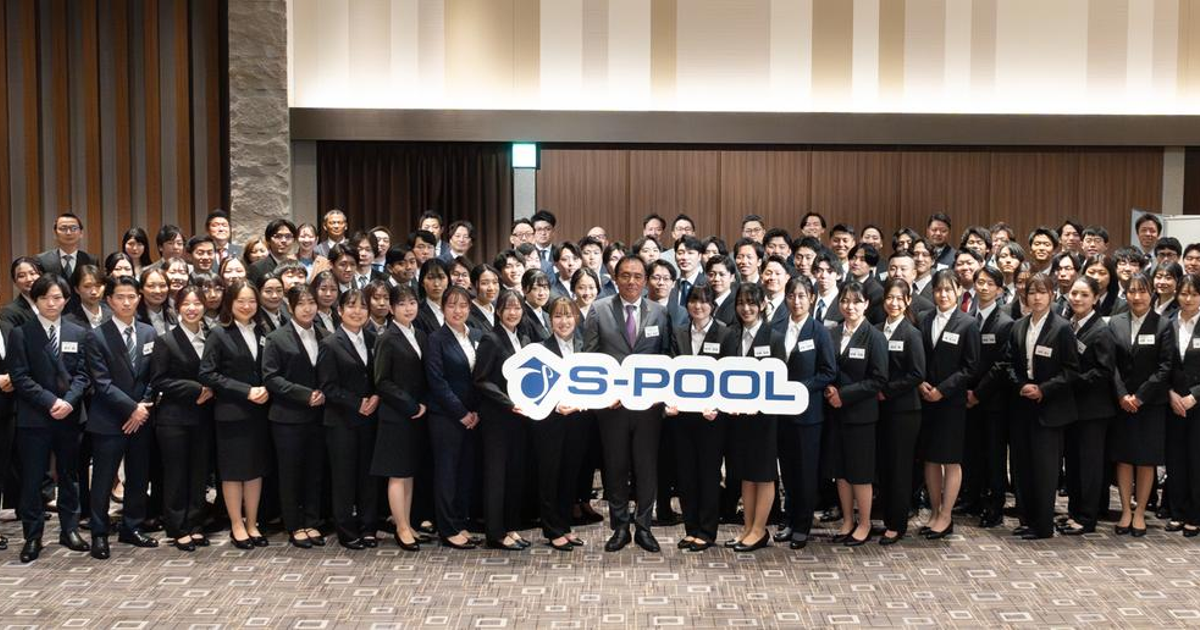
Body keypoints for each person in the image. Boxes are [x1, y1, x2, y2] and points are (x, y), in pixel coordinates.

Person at [583, 255, 673, 553]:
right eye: (625, 275)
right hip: (613, 408)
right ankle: (620, 527)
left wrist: (663, 398)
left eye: (637, 276)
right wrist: (602, 397)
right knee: (616, 468)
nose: (631, 281)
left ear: (645, 280)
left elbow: (666, 357)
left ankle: (644, 527)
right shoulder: (599, 310)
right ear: (615, 278)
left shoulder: (660, 313)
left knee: (647, 469)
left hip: (648, 408)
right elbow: (589, 358)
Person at [9, 274, 92, 562]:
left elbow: (84, 375)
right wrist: (51, 401)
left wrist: (68, 402)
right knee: (33, 479)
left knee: (70, 476)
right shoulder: (21, 333)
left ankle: (70, 530)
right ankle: (33, 536)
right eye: (44, 298)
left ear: (66, 300)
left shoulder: (78, 332)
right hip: (35, 418)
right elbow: (20, 377)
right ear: (35, 300)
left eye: (57, 297)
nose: (51, 303)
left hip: (70, 416)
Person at [83, 275, 159, 559]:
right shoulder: (96, 336)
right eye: (120, 297)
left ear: (139, 298)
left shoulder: (148, 332)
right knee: (103, 479)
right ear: (110, 301)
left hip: (142, 418)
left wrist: (143, 407)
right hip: (109, 419)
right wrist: (132, 409)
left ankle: (132, 527)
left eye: (131, 297)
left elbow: (154, 376)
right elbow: (101, 383)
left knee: (138, 476)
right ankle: (99, 533)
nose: (126, 302)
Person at [1005, 273, 1080, 540]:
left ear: (1052, 295)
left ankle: (1043, 525)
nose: (1036, 297)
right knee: (1022, 467)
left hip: (1050, 409)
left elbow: (1071, 370)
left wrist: (1043, 389)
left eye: (1042, 292)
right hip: (1022, 405)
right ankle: (1027, 519)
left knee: (1045, 470)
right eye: (1031, 292)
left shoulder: (1061, 328)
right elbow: (1009, 364)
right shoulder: (1018, 326)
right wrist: (1021, 385)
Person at [198, 279, 272, 550]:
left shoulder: (263, 331)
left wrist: (267, 388)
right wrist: (245, 391)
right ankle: (236, 525)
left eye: (252, 301)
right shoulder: (219, 333)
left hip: (259, 411)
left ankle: (252, 523)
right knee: (232, 472)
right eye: (241, 301)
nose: (247, 306)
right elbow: (207, 373)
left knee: (255, 470)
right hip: (231, 412)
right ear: (230, 303)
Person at [670, 285, 737, 552]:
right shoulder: (678, 332)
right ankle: (691, 528)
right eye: (693, 301)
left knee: (708, 475)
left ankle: (707, 531)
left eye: (704, 301)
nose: (698, 306)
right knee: (685, 474)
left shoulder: (725, 333)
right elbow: (671, 370)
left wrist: (717, 406)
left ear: (713, 306)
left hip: (712, 418)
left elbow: (729, 374)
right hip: (683, 416)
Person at [261, 285, 328, 549]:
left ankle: (312, 520)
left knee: (314, 471)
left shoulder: (325, 334)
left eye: (311, 302)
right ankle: (294, 524)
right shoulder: (277, 338)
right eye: (301, 303)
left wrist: (323, 393)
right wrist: (305, 395)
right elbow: (271, 377)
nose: (307, 308)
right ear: (290, 307)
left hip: (319, 415)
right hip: (287, 417)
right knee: (290, 473)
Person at [773, 276, 836, 550]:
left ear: (811, 298)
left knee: (806, 472)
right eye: (791, 296)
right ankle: (788, 520)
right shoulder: (776, 328)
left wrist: (800, 388)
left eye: (802, 296)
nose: (796, 301)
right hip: (781, 413)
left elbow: (828, 372)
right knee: (787, 471)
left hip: (808, 415)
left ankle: (802, 525)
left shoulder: (819, 331)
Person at [149, 285, 214, 552]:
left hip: (204, 417)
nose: (192, 308)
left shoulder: (211, 336)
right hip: (174, 418)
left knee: (199, 473)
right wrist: (195, 389)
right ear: (177, 308)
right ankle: (177, 527)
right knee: (176, 474)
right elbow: (159, 380)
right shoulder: (166, 340)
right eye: (186, 304)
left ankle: (196, 524)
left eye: (197, 303)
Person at [823, 281, 888, 546]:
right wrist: (829, 388)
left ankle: (865, 523)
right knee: (841, 471)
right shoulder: (832, 333)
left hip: (861, 415)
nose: (850, 306)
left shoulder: (875, 336)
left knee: (860, 472)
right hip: (835, 414)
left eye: (856, 301)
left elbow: (879, 379)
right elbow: (827, 368)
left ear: (866, 304)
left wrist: (844, 395)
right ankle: (848, 520)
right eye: (845, 301)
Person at [317, 288, 381, 550]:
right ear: (340, 310)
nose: (358, 311)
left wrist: (376, 396)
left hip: (371, 418)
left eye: (363, 306)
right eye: (351, 306)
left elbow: (380, 376)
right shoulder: (330, 343)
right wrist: (357, 404)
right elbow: (328, 386)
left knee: (369, 476)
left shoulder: (374, 338)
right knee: (343, 477)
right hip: (341, 421)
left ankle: (368, 526)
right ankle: (345, 530)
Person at [724, 283, 785, 552]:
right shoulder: (731, 336)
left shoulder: (774, 337)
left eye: (751, 302)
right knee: (745, 474)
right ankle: (747, 528)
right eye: (741, 303)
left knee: (764, 474)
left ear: (762, 305)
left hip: (764, 418)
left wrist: (758, 405)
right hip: (738, 418)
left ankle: (760, 530)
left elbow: (779, 378)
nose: (746, 308)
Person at [372, 284, 431, 551]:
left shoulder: (419, 334)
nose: (408, 308)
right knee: (397, 474)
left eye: (412, 303)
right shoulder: (387, 337)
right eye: (402, 304)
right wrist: (411, 405)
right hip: (396, 415)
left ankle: (407, 522)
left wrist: (422, 404)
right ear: (391, 308)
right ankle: (401, 527)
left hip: (417, 414)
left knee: (409, 472)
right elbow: (382, 381)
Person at [471, 290, 531, 550]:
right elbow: (481, 379)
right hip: (497, 418)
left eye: (517, 308)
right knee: (496, 476)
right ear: (498, 311)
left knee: (514, 474)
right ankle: (495, 533)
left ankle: (511, 527)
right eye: (508, 308)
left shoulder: (524, 339)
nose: (513, 312)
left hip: (520, 419)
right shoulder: (491, 339)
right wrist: (508, 403)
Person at [425, 286, 483, 549]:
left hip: (473, 416)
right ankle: (447, 528)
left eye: (463, 305)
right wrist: (461, 413)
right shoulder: (436, 339)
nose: (457, 311)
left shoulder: (476, 335)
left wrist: (475, 412)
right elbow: (437, 382)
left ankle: (460, 522)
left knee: (465, 472)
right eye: (451, 305)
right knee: (446, 473)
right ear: (443, 308)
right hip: (446, 417)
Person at [532, 297, 590, 551]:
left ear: (576, 318)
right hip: (550, 422)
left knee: (570, 474)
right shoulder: (540, 349)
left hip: (578, 421)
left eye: (568, 316)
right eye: (557, 316)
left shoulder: (585, 347)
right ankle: (552, 529)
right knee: (549, 476)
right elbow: (536, 389)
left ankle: (565, 525)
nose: (563, 321)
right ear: (550, 320)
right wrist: (556, 405)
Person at [1059, 275, 1116, 535]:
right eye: (1074, 293)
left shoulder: (1101, 330)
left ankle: (1087, 517)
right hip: (1073, 408)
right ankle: (1074, 512)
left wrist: (1071, 381)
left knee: (1089, 466)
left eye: (1084, 295)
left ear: (1095, 298)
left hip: (1093, 410)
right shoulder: (1069, 325)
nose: (1077, 299)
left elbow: (1104, 371)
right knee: (1073, 463)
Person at [963, 267, 1015, 529]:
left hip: (993, 400)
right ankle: (972, 499)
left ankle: (995, 507)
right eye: (980, 282)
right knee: (972, 452)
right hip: (967, 398)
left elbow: (1002, 365)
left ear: (999, 289)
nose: (983, 287)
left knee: (994, 455)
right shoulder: (967, 318)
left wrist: (978, 394)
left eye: (989, 283)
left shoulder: (1005, 323)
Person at [876, 277, 926, 545]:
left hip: (904, 411)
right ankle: (886, 518)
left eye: (899, 298)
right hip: (879, 409)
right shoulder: (876, 329)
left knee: (899, 468)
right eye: (889, 298)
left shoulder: (911, 333)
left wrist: (887, 391)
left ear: (908, 301)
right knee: (884, 465)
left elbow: (917, 374)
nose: (893, 303)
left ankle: (897, 524)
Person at [1169, 273, 1200, 537]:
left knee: (1196, 460)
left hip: (1197, 404)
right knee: (1175, 459)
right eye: (1184, 293)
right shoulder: (1168, 323)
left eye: (1194, 294)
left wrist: (1195, 396)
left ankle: (1195, 514)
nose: (1188, 299)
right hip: (1173, 402)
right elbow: (1161, 363)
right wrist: (1170, 393)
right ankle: (1177, 512)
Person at [37, 213, 97, 279]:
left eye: (74, 228)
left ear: (81, 233)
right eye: (63, 228)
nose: (68, 233)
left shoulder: (91, 260)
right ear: (55, 233)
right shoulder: (42, 260)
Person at [415, 259, 449, 335]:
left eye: (441, 277)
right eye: (430, 278)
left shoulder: (457, 308)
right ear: (422, 282)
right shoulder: (417, 313)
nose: (436, 284)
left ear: (448, 281)